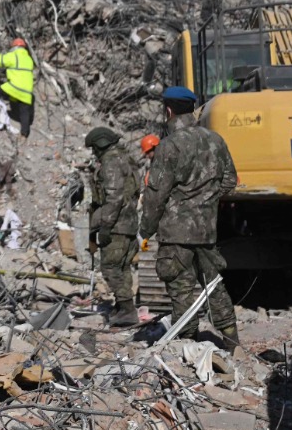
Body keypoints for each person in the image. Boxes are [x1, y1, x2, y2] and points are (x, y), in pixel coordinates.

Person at [139, 87, 239, 349]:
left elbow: (156, 194)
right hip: (206, 230)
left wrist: (146, 231)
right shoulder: (215, 140)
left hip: (175, 233)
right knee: (214, 285)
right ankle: (232, 344)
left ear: (168, 111)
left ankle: (188, 346)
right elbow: (230, 180)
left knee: (181, 288)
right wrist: (206, 200)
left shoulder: (169, 146)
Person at [84, 127, 141, 328]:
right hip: (128, 223)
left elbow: (114, 197)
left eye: (94, 148)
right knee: (122, 267)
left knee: (109, 267)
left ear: (100, 144)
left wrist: (105, 226)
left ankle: (127, 309)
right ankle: (124, 308)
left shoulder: (111, 161)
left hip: (117, 224)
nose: (93, 152)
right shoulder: (125, 159)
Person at [0, 38, 37, 138]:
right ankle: (24, 134)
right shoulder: (29, 59)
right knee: (24, 110)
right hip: (27, 91)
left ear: (14, 47)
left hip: (14, 87)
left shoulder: (14, 56)